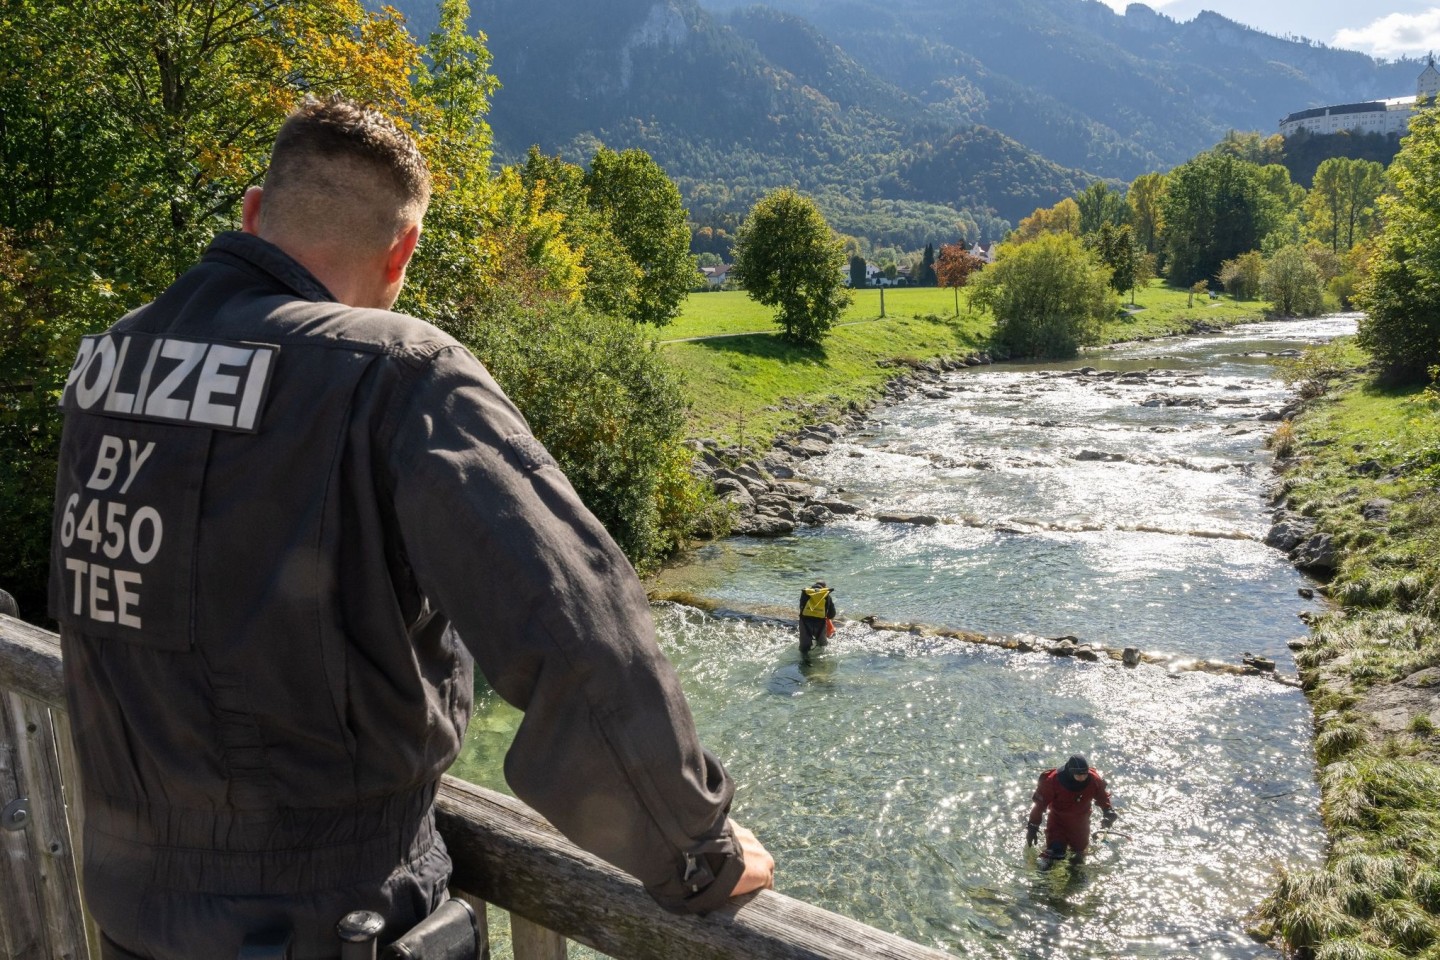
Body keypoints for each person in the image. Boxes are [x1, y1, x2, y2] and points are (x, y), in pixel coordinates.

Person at [48, 96, 772, 960]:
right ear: (404, 250)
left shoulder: (109, 361)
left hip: (133, 907)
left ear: (250, 213)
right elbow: (576, 624)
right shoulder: (395, 371)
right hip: (331, 916)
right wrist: (695, 850)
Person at [1024, 755, 1116, 868]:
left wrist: (1108, 812)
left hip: (1081, 823)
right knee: (1055, 852)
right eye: (1078, 775)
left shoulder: (1094, 780)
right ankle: (1041, 880)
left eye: (1084, 774)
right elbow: (1039, 806)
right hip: (1058, 821)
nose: (1082, 778)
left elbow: (1102, 797)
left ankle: (1075, 880)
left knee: (1078, 857)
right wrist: (1032, 827)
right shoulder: (1053, 781)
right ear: (1070, 772)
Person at [797, 580, 835, 655]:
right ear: (824, 587)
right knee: (822, 646)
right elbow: (831, 614)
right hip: (820, 624)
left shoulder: (806, 593)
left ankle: (805, 662)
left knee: (804, 649)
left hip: (805, 623)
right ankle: (821, 663)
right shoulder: (826, 595)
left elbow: (801, 608)